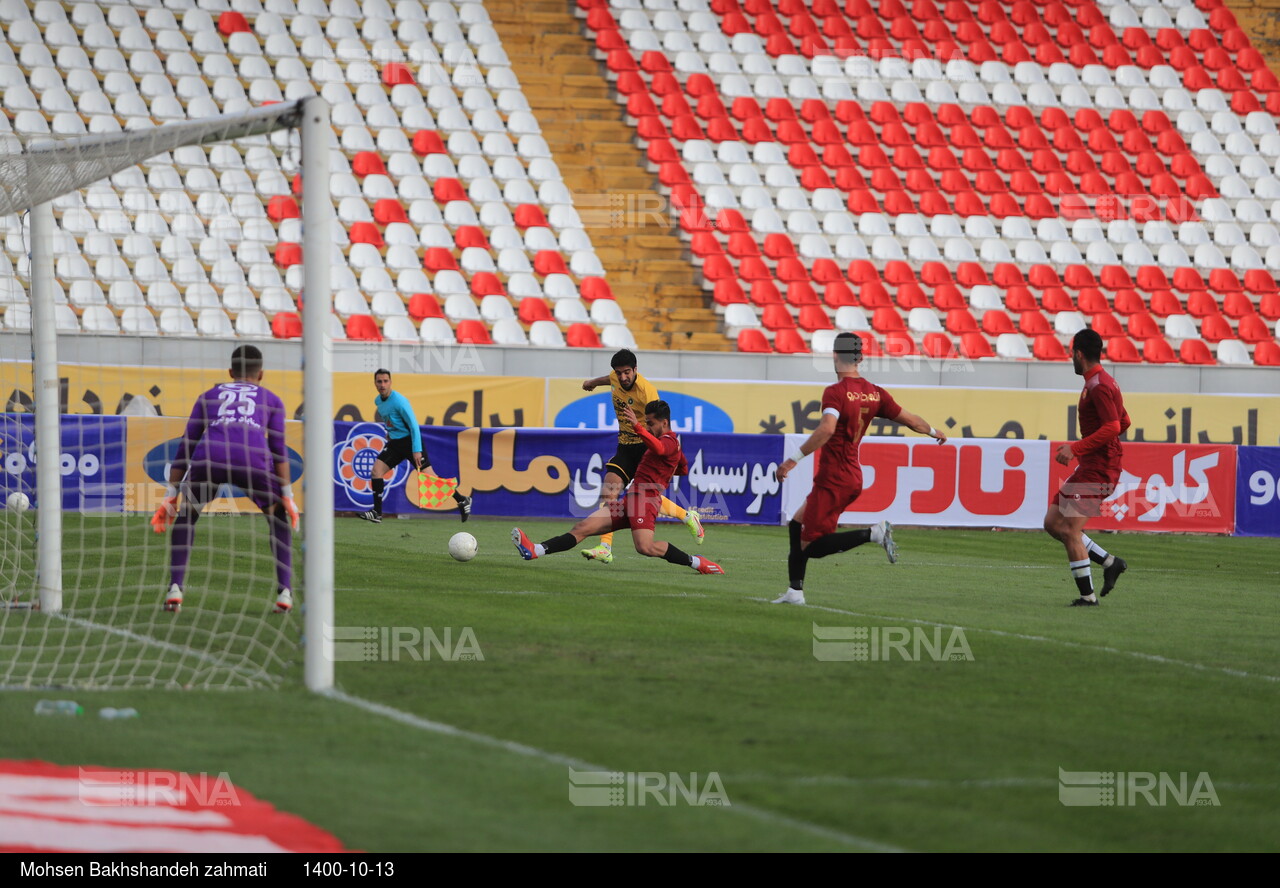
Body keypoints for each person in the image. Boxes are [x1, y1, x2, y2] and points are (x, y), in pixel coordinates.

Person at [773, 332, 946, 605]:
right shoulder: (875, 392)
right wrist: (934, 430)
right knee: (797, 523)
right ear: (861, 358)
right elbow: (911, 420)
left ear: (834, 356)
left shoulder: (836, 392)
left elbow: (827, 428)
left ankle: (873, 533)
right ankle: (795, 592)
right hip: (851, 475)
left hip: (835, 477)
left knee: (813, 547)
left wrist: (792, 459)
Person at [153, 345, 298, 614]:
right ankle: (285, 592)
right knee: (277, 518)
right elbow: (279, 450)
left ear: (230, 372)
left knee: (187, 516)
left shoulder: (209, 395)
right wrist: (287, 496)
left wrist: (169, 495)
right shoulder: (272, 399)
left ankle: (175, 587)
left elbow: (187, 443)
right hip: (252, 459)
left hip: (211, 457)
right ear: (261, 374)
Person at [513, 400, 724, 576]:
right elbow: (683, 468)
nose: (648, 427)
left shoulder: (668, 440)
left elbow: (662, 449)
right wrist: (666, 470)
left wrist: (637, 427)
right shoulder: (670, 444)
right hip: (630, 500)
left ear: (664, 422)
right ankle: (534, 550)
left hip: (645, 501)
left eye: (650, 423)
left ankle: (698, 562)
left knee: (645, 547)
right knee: (582, 528)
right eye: (646, 424)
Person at [579, 349, 703, 564]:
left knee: (645, 495)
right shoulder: (615, 378)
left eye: (627, 372)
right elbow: (607, 379)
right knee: (610, 490)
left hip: (646, 447)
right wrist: (591, 382)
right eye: (619, 373)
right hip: (625, 446)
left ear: (636, 370)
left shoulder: (647, 392)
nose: (623, 377)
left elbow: (658, 424)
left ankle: (687, 516)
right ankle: (605, 547)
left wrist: (665, 449)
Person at [1045, 328, 1130, 607]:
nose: (1071, 357)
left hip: (1100, 468)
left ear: (1078, 354)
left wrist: (1077, 448)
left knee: (1069, 529)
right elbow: (1124, 422)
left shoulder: (1099, 386)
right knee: (1053, 523)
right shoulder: (1103, 382)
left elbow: (1114, 426)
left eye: (1072, 353)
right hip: (1091, 464)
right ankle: (1110, 562)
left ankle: (1088, 597)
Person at [361, 369, 471, 524]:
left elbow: (413, 426)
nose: (382, 384)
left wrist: (416, 450)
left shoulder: (399, 401)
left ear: (391, 382)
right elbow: (391, 420)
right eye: (379, 381)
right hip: (395, 444)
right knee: (376, 471)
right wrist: (389, 432)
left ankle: (462, 500)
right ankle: (377, 513)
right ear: (375, 383)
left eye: (386, 381)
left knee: (431, 479)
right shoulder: (378, 401)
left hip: (410, 443)